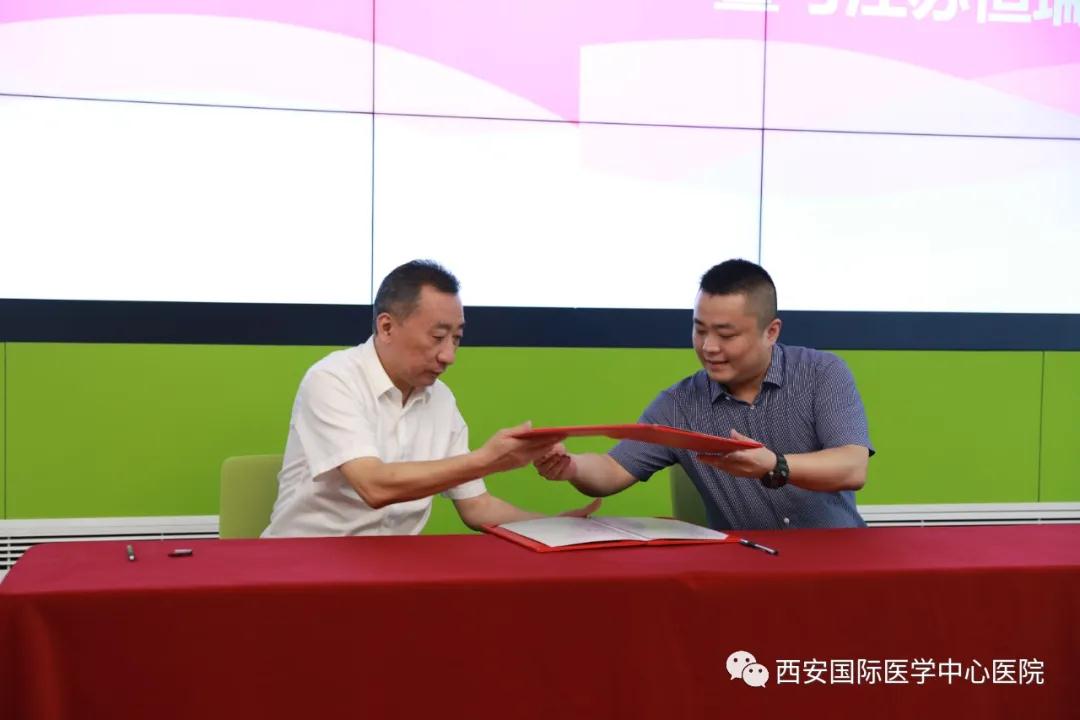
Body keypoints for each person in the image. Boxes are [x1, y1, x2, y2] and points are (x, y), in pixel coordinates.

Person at [264, 260, 597, 537]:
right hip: (306, 563)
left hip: (392, 570)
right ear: (387, 327)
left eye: (457, 338)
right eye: (437, 337)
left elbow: (476, 506)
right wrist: (489, 459)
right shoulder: (332, 379)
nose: (448, 355)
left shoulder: (441, 400)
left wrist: (554, 527)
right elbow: (373, 485)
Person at [534, 259, 873, 531]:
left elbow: (852, 467)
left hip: (838, 560)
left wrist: (773, 464)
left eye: (726, 335)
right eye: (699, 330)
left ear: (771, 332)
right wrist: (573, 466)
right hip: (747, 569)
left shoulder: (821, 373)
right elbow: (612, 469)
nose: (709, 347)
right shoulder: (680, 404)